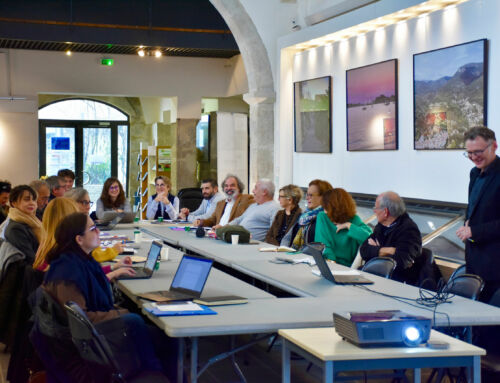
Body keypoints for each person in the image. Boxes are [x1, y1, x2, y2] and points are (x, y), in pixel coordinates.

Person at [41, 212, 168, 378]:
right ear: (79, 239)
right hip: (92, 343)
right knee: (152, 331)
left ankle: (157, 374)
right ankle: (153, 375)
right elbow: (83, 318)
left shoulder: (79, 261)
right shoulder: (68, 273)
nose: (99, 232)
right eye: (93, 229)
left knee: (153, 330)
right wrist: (121, 313)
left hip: (95, 335)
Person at [33, 197, 130, 278]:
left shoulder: (47, 248)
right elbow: (89, 285)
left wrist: (113, 267)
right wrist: (114, 273)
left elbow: (87, 274)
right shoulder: (64, 256)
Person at [456, 126, 500, 303]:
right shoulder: (474, 173)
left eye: (478, 151)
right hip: (474, 259)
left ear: (494, 146)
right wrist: (468, 223)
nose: (474, 157)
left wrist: (474, 231)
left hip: (495, 263)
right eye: (469, 153)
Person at [359, 191, 422, 283]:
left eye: (376, 208)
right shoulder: (381, 226)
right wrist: (389, 250)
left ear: (385, 212)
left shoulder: (409, 230)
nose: (374, 211)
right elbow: (364, 250)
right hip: (377, 276)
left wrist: (376, 250)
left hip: (396, 283)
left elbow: (402, 262)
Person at [314, 188, 372, 266]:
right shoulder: (322, 217)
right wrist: (332, 263)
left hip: (346, 267)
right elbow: (322, 244)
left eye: (326, 208)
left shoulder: (354, 219)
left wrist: (349, 226)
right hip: (327, 262)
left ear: (335, 208)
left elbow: (369, 238)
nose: (325, 211)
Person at [3, 185, 44, 264]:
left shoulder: (34, 221)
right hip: (28, 272)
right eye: (27, 199)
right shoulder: (15, 228)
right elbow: (30, 258)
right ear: (14, 203)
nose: (32, 203)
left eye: (34, 200)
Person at [292, 179, 333, 249]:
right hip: (299, 255)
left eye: (310, 195)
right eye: (307, 195)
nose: (307, 198)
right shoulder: (305, 215)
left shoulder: (328, 217)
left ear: (323, 197)